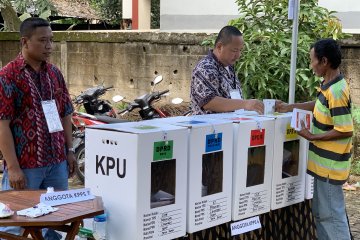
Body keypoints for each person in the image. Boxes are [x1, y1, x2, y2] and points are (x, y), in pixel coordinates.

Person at [0, 17, 75, 239]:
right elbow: (2, 123)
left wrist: (70, 151)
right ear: (25, 41)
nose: (49, 46)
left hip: (57, 163)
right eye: (43, 41)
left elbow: (66, 113)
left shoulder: (54, 74)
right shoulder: (8, 76)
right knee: (15, 222)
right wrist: (13, 167)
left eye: (51, 40)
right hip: (26, 167)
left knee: (56, 219)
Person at [276, 38, 352, 240]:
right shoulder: (328, 85)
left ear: (324, 61)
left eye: (312, 61)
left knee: (331, 217)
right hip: (323, 166)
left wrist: (312, 136)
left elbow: (345, 129)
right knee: (321, 213)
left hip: (330, 166)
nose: (311, 66)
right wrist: (289, 107)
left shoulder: (336, 91)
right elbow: (318, 104)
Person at [190, 25, 264, 115]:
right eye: (234, 50)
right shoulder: (205, 67)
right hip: (209, 127)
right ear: (220, 47)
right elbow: (208, 102)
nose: (238, 55)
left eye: (240, 50)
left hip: (230, 125)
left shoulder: (229, 66)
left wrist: (266, 106)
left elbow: (234, 102)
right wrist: (245, 104)